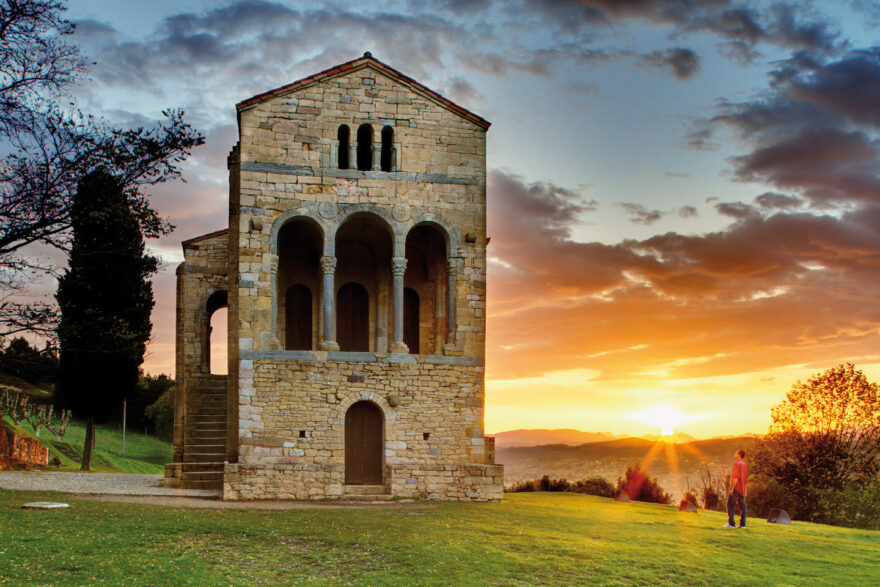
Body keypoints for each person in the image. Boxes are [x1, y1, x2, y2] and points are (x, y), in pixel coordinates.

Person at [723, 449, 748, 528]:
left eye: (736, 452)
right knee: (742, 506)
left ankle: (731, 523)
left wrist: (731, 488)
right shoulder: (745, 464)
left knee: (730, 504)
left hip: (736, 488)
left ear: (739, 454)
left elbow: (735, 478)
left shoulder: (737, 464)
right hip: (743, 488)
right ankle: (743, 524)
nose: (734, 453)